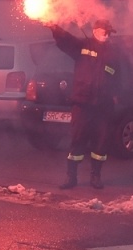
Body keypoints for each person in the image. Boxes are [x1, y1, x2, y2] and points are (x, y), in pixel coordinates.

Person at [49, 19, 123, 190]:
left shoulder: (113, 52)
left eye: (109, 32)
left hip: (103, 105)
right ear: (95, 30)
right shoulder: (82, 46)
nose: (107, 34)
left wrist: (116, 95)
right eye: (105, 30)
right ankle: (71, 177)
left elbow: (117, 76)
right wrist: (54, 27)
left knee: (101, 143)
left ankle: (96, 177)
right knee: (77, 140)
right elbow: (65, 40)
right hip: (82, 103)